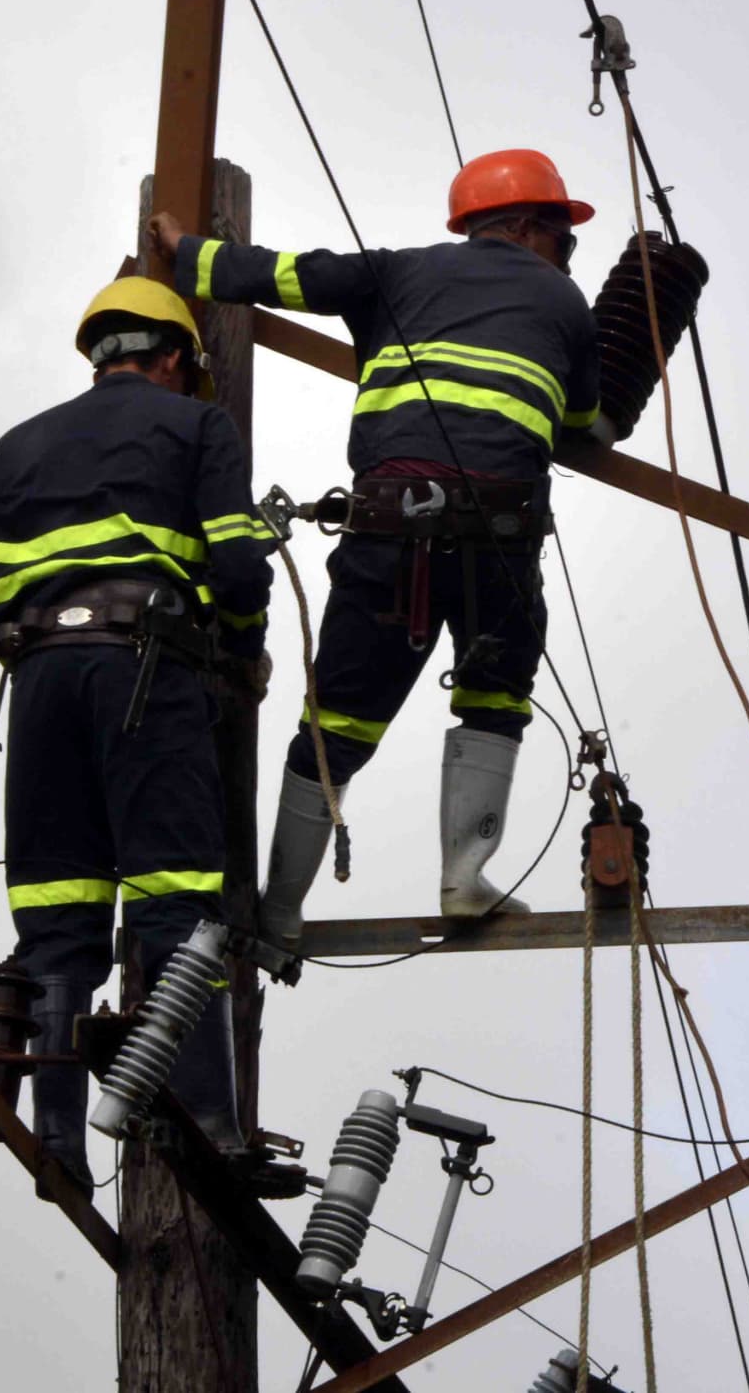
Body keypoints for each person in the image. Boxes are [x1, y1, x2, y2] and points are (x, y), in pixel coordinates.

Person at [148, 147, 602, 952]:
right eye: (564, 237)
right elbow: (583, 429)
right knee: (495, 696)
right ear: (532, 227)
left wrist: (188, 254)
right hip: (500, 537)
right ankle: (464, 878)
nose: (567, 255)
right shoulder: (566, 305)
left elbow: (290, 277)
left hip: (392, 534)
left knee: (337, 719)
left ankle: (279, 910)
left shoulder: (399, 272)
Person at [0, 277, 271, 1183]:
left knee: (58, 912)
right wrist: (235, 656)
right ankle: (211, 1122)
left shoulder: (15, 447)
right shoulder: (197, 426)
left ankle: (57, 1140)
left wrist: (49, 655)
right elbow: (242, 567)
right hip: (144, 670)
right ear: (173, 357)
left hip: (39, 683)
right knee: (176, 896)